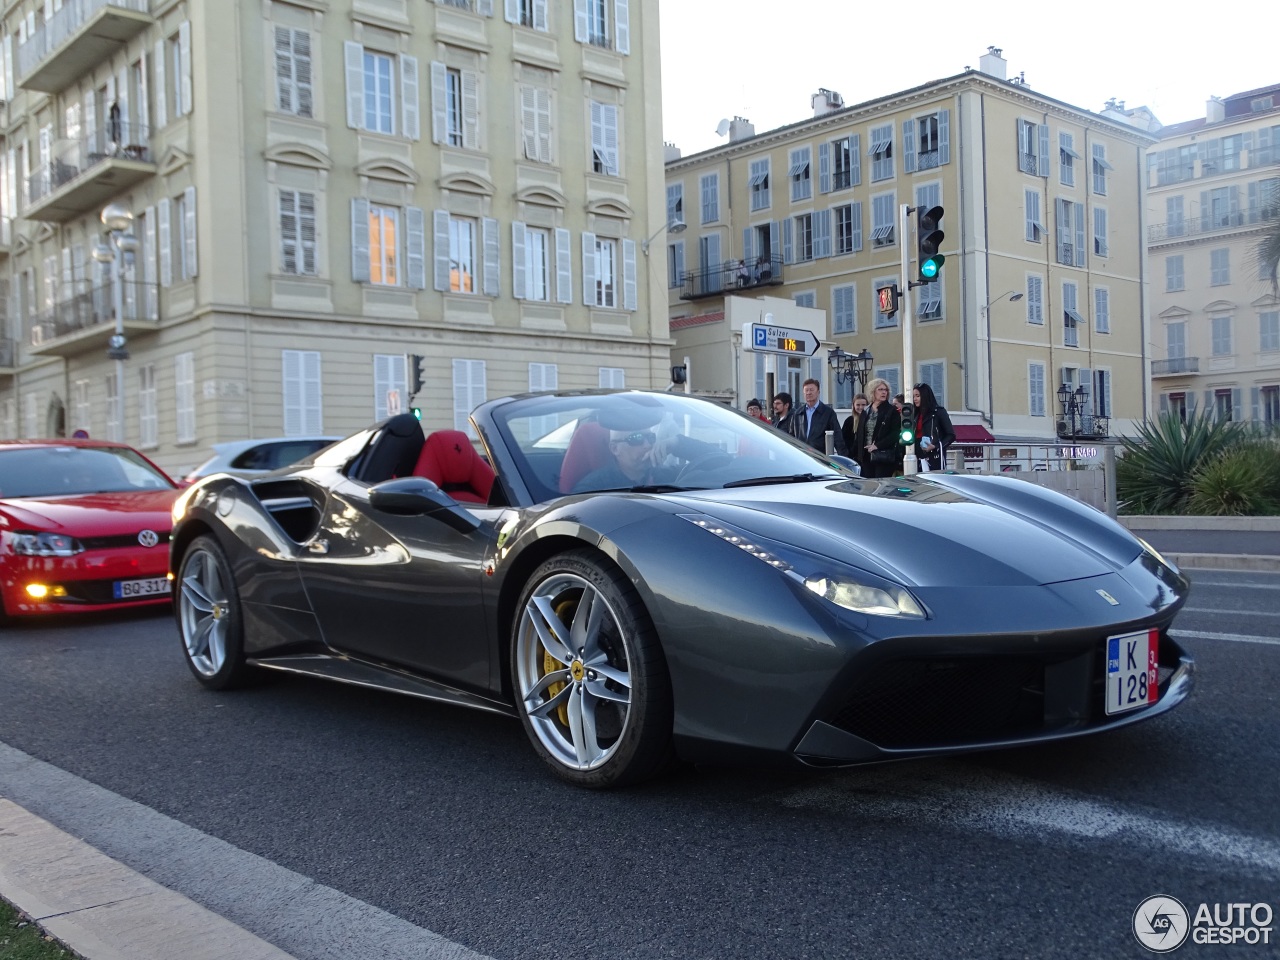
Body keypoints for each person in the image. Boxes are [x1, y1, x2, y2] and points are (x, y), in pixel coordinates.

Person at [572, 424, 719, 493]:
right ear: (614, 448)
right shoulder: (592, 490)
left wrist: (676, 443)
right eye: (636, 439)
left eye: (650, 437)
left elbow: (719, 461)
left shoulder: (670, 477)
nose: (647, 445)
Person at [789, 378, 848, 455]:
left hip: (820, 457)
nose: (809, 393)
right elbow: (791, 437)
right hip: (801, 456)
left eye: (811, 390)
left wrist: (843, 458)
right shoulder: (797, 414)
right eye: (806, 390)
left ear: (818, 392)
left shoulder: (828, 413)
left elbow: (837, 438)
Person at [860, 378, 901, 479]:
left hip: (883, 456)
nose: (884, 392)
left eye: (886, 390)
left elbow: (895, 434)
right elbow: (860, 434)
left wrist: (877, 446)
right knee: (868, 484)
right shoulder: (866, 410)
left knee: (881, 485)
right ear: (873, 391)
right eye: (880, 389)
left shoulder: (891, 410)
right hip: (866, 456)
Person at [912, 382, 956, 473]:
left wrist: (935, 446)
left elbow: (951, 435)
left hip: (934, 456)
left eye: (917, 396)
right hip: (917, 455)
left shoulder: (939, 412)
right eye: (913, 396)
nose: (915, 399)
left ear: (925, 396)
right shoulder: (914, 414)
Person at [841, 393, 869, 474]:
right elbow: (844, 439)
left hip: (867, 458)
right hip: (852, 458)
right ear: (853, 405)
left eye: (863, 405)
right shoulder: (849, 421)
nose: (861, 407)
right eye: (858, 405)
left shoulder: (870, 420)